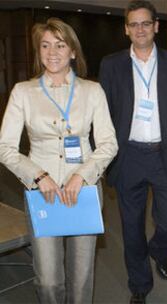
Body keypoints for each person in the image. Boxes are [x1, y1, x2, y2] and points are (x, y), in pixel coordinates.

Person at [0, 18, 118, 303]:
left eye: (60, 45)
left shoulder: (92, 91)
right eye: (45, 45)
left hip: (84, 192)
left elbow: (108, 143)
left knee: (81, 280)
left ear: (73, 52)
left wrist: (83, 175)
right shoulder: (23, 92)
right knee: (49, 281)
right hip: (44, 194)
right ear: (38, 51)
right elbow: (5, 148)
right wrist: (38, 176)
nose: (52, 52)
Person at [98, 1, 167, 303]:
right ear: (126, 30)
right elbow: (101, 113)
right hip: (128, 156)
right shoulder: (111, 64)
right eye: (134, 24)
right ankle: (140, 286)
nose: (140, 29)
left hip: (165, 154)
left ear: (156, 26)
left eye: (146, 23)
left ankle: (158, 251)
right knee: (131, 228)